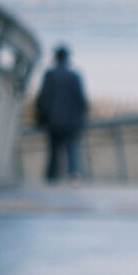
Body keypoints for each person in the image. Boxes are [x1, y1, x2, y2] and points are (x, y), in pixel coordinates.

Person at [34, 45, 90, 182]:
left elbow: (43, 99)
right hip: (71, 122)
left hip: (54, 121)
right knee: (71, 149)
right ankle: (74, 175)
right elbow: (81, 100)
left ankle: (52, 178)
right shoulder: (74, 76)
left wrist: (41, 118)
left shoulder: (50, 75)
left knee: (53, 151)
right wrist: (81, 118)